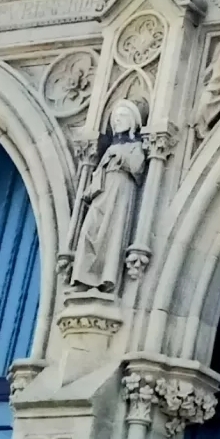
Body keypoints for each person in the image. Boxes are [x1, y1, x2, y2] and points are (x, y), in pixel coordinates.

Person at [68, 97, 147, 293]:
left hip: (120, 190)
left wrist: (120, 157)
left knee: (111, 234)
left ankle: (104, 279)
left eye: (122, 116)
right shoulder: (111, 146)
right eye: (115, 117)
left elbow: (138, 167)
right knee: (89, 230)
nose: (117, 120)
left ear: (132, 121)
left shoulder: (134, 145)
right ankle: (83, 277)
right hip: (102, 191)